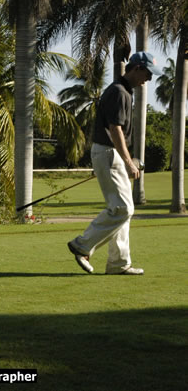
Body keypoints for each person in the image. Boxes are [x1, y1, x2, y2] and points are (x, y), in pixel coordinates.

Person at [67, 52, 162, 275]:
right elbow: (115, 129)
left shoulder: (123, 91)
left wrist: (125, 160)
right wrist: (128, 161)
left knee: (123, 209)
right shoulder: (120, 92)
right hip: (109, 152)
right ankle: (82, 244)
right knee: (123, 208)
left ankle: (119, 263)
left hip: (110, 153)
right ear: (136, 68)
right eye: (147, 73)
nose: (148, 79)